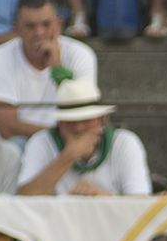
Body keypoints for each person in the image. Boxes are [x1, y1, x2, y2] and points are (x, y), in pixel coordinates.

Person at [0, 0, 101, 138]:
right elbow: (6, 125)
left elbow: (83, 113)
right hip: (22, 141)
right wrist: (52, 138)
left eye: (46, 24)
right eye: (30, 26)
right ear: (17, 29)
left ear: (59, 25)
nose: (39, 32)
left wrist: (57, 68)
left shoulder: (81, 54)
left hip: (68, 140)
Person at [17, 78, 156, 193]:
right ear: (59, 123)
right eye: (70, 121)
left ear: (102, 120)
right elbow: (24, 197)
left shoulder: (125, 143)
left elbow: (139, 202)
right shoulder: (41, 142)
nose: (78, 128)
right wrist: (68, 156)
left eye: (86, 120)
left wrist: (100, 198)